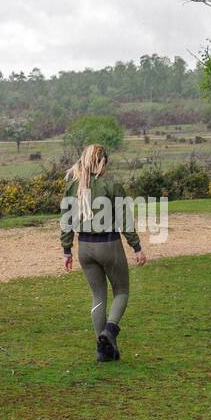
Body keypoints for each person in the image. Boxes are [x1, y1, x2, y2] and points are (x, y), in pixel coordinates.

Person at [60, 144, 147, 362]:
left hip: (84, 247)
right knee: (122, 291)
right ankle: (109, 331)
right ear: (101, 163)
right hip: (108, 244)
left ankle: (104, 350)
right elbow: (124, 219)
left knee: (98, 295)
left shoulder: (72, 185)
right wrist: (136, 247)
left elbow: (66, 221)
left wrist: (66, 250)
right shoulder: (111, 184)